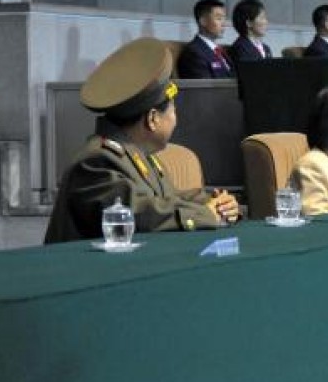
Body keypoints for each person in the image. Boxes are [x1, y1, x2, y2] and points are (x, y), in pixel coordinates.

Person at [45, 39, 239, 243]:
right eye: (173, 110)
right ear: (153, 119)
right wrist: (205, 214)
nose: (175, 118)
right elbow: (138, 213)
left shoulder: (139, 154)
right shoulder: (97, 162)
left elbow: (164, 201)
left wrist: (215, 203)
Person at [177, 0, 234, 79]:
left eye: (224, 19)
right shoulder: (193, 53)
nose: (224, 24)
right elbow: (203, 89)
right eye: (219, 18)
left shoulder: (219, 50)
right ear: (203, 21)